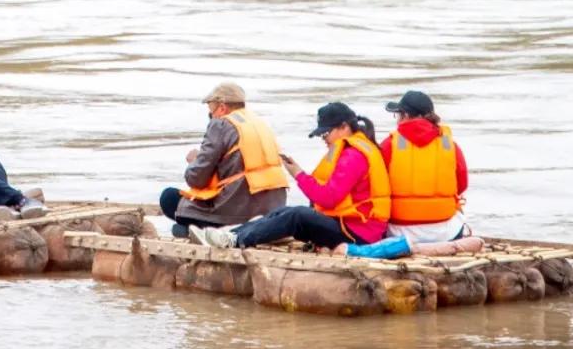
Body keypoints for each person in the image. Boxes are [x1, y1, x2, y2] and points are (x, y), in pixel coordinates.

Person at [191, 101, 390, 251]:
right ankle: (227, 235)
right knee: (284, 211)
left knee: (297, 216)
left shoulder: (354, 155)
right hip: (351, 226)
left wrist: (298, 174)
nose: (324, 140)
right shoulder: (356, 149)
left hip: (358, 234)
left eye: (325, 134)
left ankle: (234, 241)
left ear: (344, 127)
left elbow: (329, 198)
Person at [339, 89, 482, 259]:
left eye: (398, 115)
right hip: (445, 232)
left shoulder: (390, 145)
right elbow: (462, 185)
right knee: (457, 214)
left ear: (405, 115)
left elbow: (374, 186)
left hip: (399, 232)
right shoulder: (450, 145)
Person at [159, 82, 289, 236]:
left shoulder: (221, 124)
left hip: (239, 212)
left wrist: (194, 161)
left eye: (211, 112)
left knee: (169, 197)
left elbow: (196, 179)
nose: (211, 117)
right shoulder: (260, 124)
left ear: (222, 108)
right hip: (274, 209)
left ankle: (202, 231)